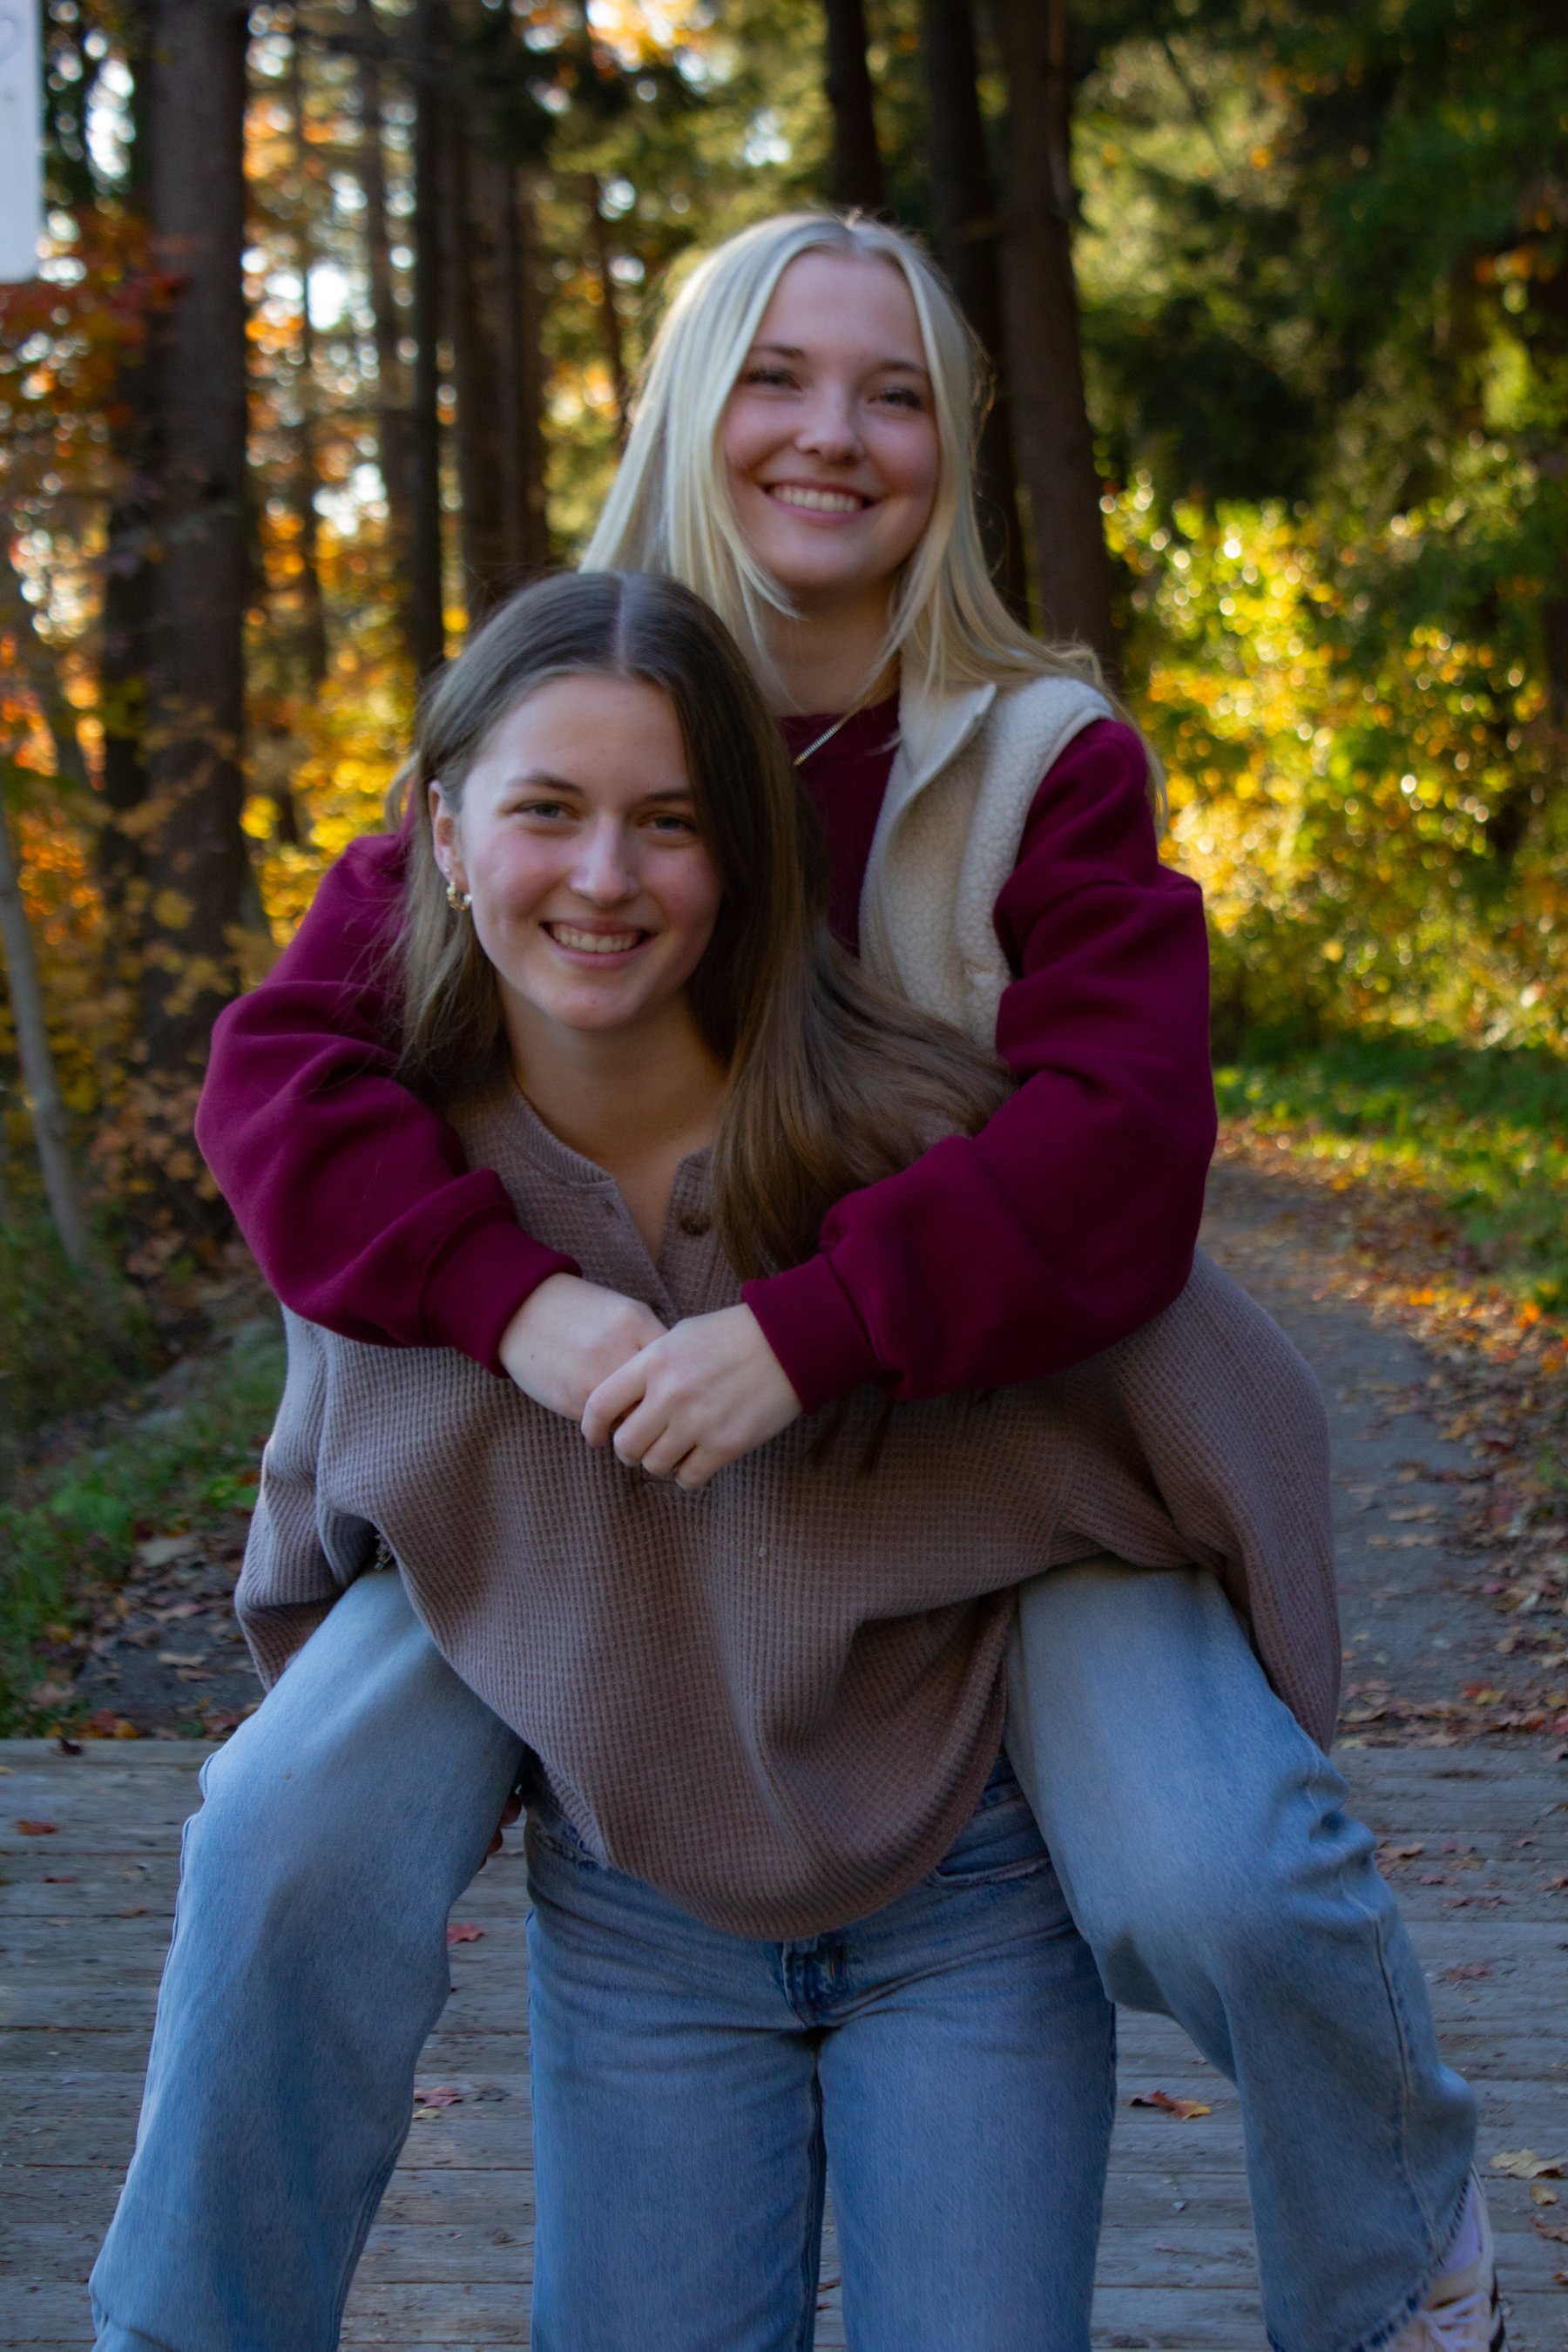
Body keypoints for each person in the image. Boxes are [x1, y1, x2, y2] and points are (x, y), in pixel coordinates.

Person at [178, 212, 1492, 2352]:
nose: (833, 433)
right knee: (285, 1831)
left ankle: (1402, 2259)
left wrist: (818, 1323)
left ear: (951, 449)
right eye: (780, 375)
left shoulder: (1034, 753)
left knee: (1217, 1875)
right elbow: (285, 1080)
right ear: (697, 404)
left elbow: (1126, 1140)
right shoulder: (572, 705)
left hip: (988, 1466)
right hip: (589, 1477)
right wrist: (519, 1303)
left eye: (893, 391)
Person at [98, 567, 1329, 2350]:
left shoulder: (903, 1134)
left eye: (669, 827)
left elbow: (1190, 1369)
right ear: (441, 836)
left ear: (748, 858)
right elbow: (325, 1489)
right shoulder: (400, 1173)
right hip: (642, 1902)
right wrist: (503, 1338)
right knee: (274, 1829)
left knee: (1222, 1889)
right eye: (548, 816)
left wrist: (1226, 1677)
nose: (603, 878)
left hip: (960, 1887)